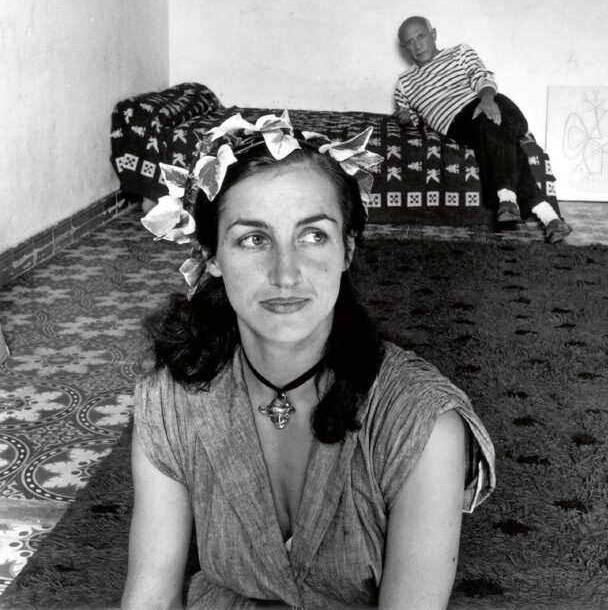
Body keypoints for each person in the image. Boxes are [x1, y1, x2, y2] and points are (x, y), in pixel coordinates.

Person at [122, 111, 495, 609]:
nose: (286, 273)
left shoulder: (420, 422)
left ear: (347, 249)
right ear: (211, 256)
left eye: (313, 235)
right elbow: (150, 595)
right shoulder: (170, 399)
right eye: (254, 239)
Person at [393, 16, 573, 242]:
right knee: (497, 135)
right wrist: (406, 118)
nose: (417, 45)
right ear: (404, 47)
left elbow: (481, 76)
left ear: (434, 34)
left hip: (490, 103)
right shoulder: (404, 83)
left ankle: (507, 199)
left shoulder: (459, 52)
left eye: (421, 36)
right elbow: (414, 118)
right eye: (410, 42)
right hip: (458, 123)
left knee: (490, 124)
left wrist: (487, 100)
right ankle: (550, 218)